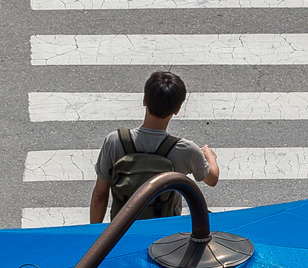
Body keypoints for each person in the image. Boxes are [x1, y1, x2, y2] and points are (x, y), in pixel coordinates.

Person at [88, 71, 221, 223]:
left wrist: (97, 239)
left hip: (122, 231)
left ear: (144, 100)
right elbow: (212, 179)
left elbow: (100, 196)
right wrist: (210, 156)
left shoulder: (114, 141)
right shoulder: (186, 150)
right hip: (164, 237)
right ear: (177, 110)